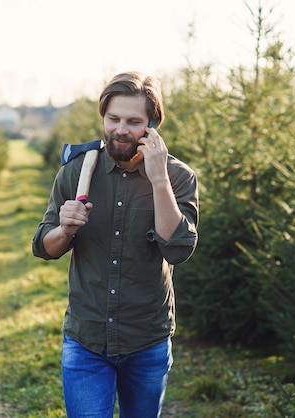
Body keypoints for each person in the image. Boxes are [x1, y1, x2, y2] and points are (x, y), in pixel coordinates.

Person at [32, 71, 199, 418]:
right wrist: (64, 229)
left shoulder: (178, 177)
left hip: (146, 340)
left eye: (134, 121)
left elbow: (178, 249)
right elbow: (43, 247)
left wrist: (157, 179)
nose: (121, 129)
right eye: (113, 119)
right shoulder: (77, 171)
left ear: (152, 125)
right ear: (103, 119)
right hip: (86, 339)